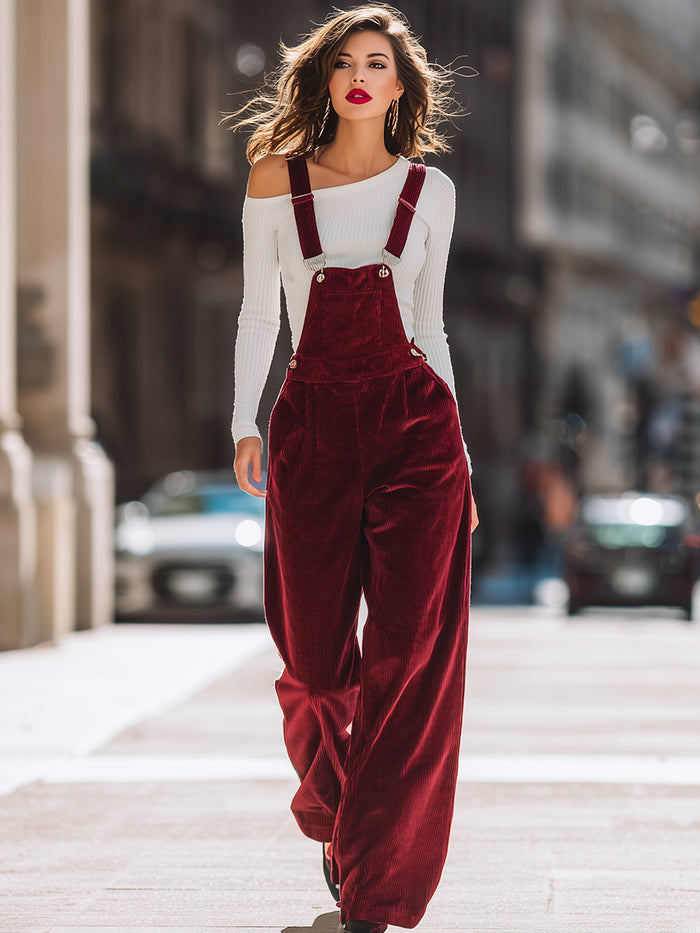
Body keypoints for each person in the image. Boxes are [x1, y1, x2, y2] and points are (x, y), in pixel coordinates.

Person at [225, 5, 478, 931]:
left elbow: (432, 325)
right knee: (316, 670)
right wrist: (242, 424)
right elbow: (261, 315)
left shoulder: (431, 192)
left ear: (401, 86)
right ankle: (339, 816)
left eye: (379, 64)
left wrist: (463, 461)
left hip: (418, 431)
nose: (361, 77)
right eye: (344, 64)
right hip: (310, 428)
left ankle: (377, 882)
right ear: (325, 81)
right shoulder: (273, 179)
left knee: (409, 659)